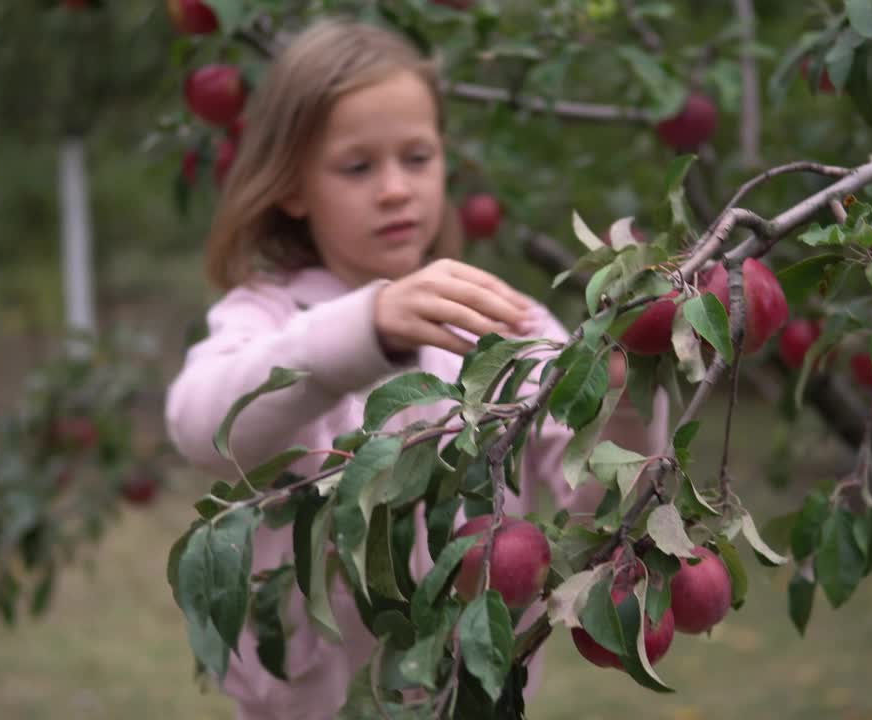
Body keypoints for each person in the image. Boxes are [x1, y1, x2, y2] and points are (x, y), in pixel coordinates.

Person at [164, 17, 670, 720]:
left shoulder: (497, 317)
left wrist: (623, 395)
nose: (396, 189)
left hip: (466, 693)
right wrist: (366, 328)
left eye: (418, 157)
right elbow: (199, 422)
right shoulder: (271, 316)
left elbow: (596, 497)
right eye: (358, 166)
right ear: (292, 186)